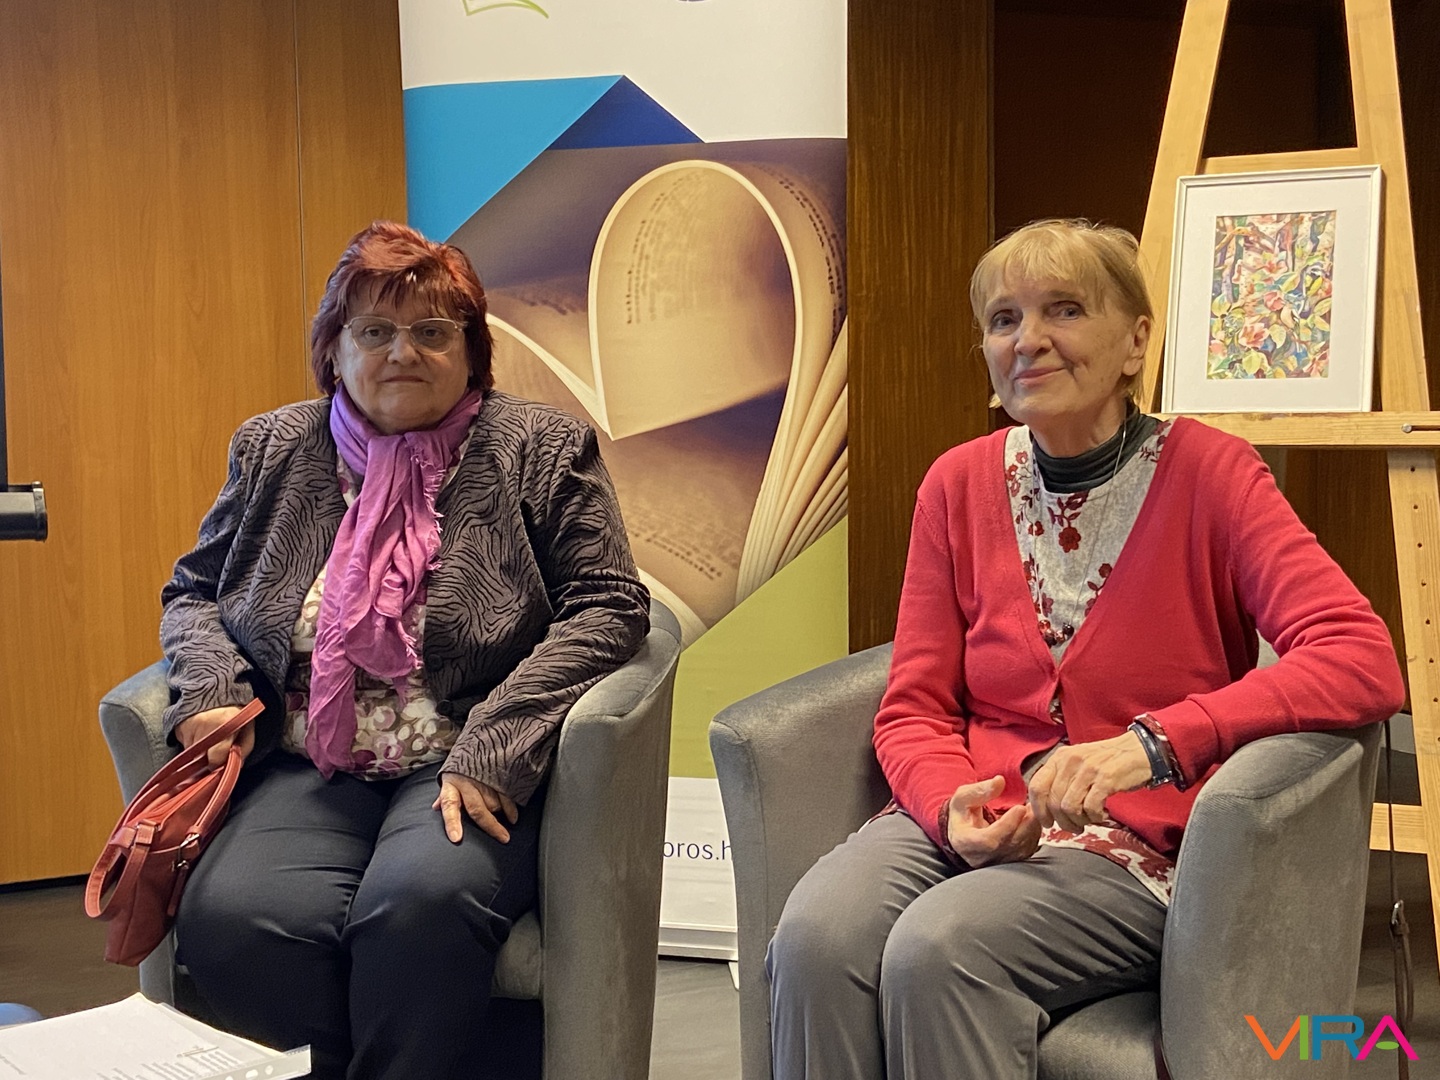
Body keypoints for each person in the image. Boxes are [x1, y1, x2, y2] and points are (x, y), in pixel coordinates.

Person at [766, 218, 1405, 1079]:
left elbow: (1359, 655)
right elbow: (914, 706)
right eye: (1004, 319)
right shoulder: (955, 484)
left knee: (942, 948)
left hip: (1136, 839)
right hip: (979, 806)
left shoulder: (1215, 474)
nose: (1028, 339)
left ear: (1136, 341)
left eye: (1064, 310)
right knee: (814, 938)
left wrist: (1156, 743)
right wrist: (949, 805)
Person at [160, 221, 650, 1080]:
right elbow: (194, 591)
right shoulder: (274, 448)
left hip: (467, 755)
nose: (403, 352)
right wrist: (209, 686)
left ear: (471, 351)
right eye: (375, 330)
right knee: (234, 918)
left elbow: (609, 603)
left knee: (420, 907)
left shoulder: (539, 448)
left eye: (432, 331)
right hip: (309, 759)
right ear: (334, 349)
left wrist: (499, 741)